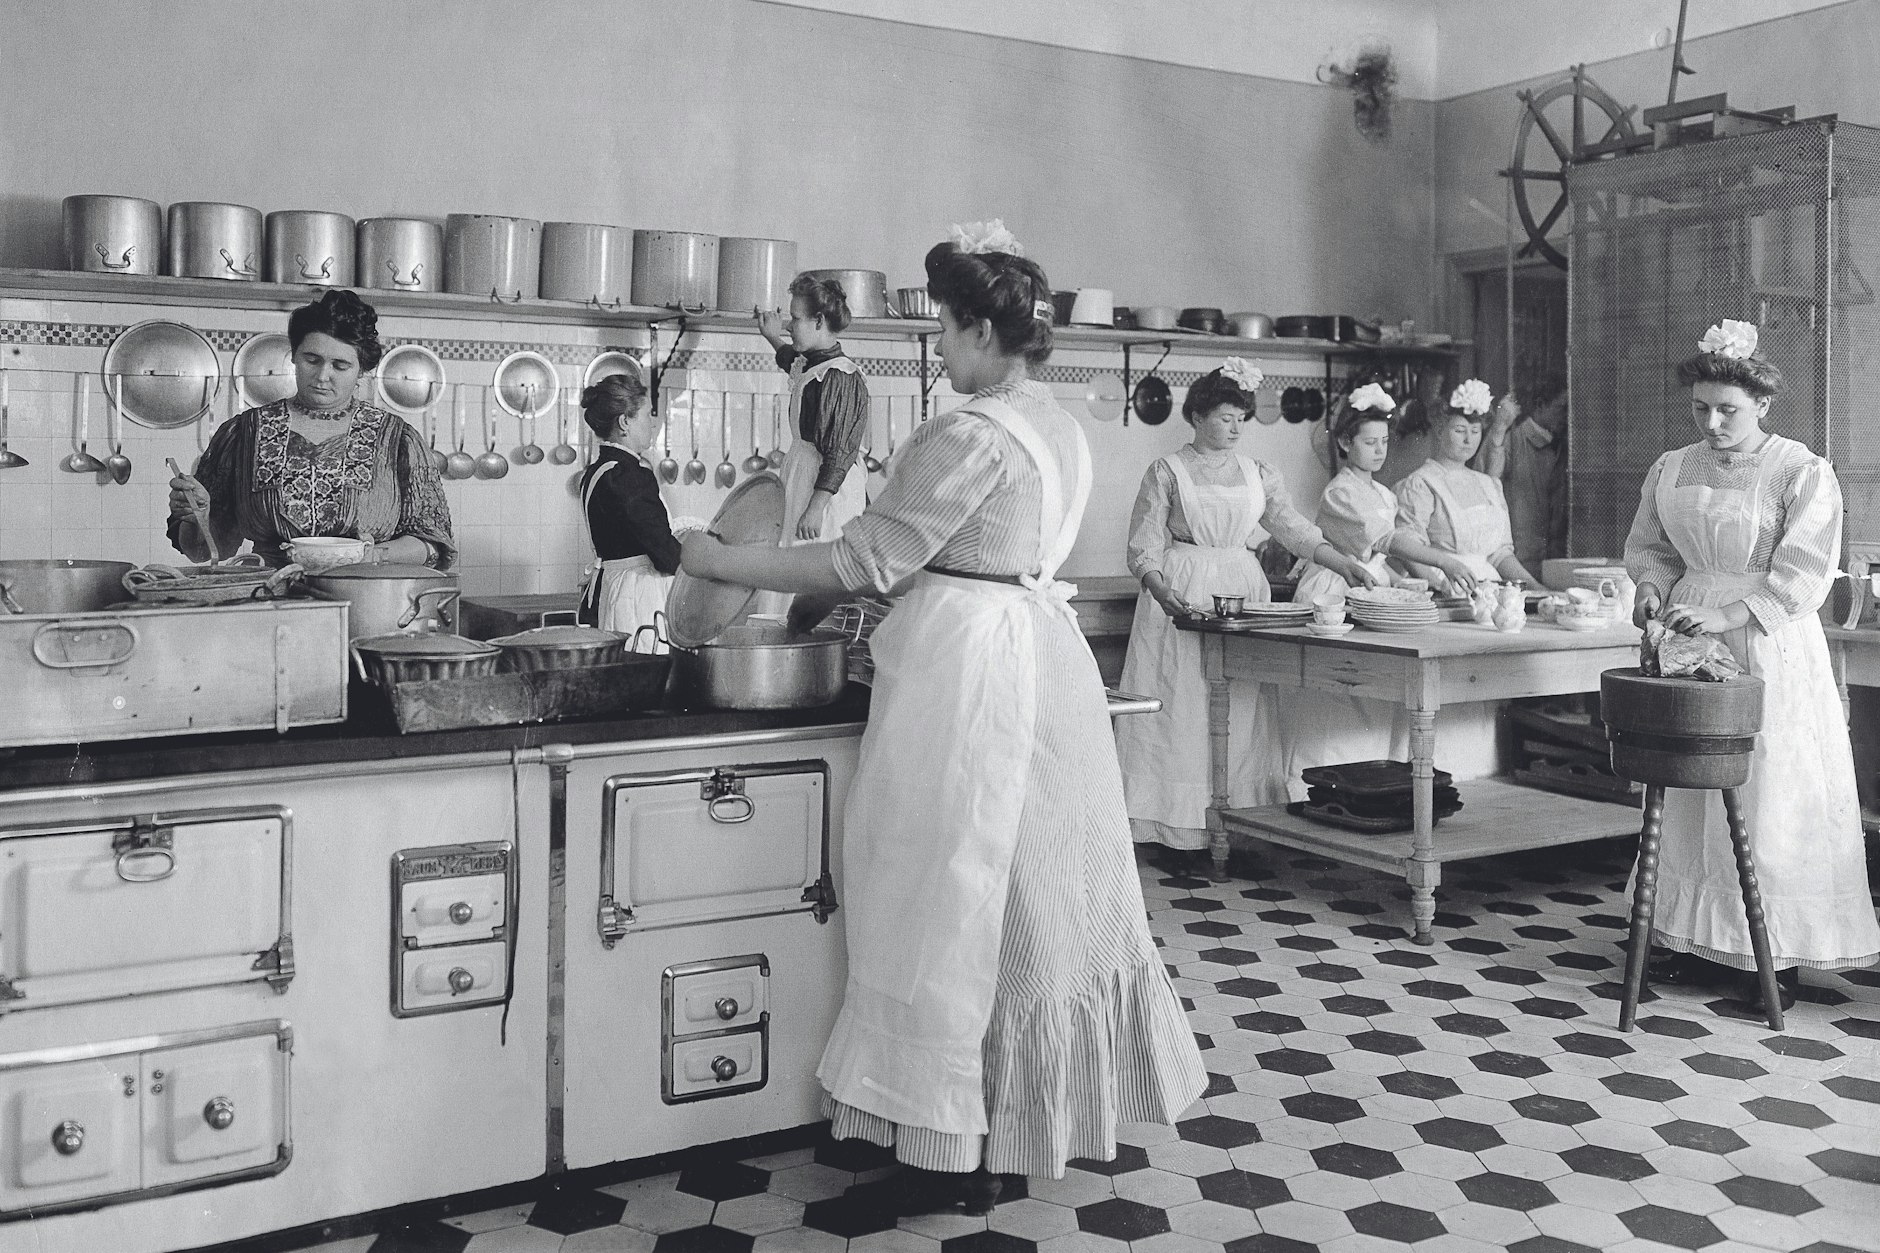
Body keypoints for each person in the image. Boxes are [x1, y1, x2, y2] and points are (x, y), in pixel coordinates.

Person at [679, 220, 1204, 1209]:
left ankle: (946, 1148)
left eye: (945, 329)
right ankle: (1004, 1130)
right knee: (1025, 905)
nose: (938, 347)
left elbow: (864, 558)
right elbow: (935, 552)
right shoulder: (1055, 424)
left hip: (970, 676)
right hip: (1042, 664)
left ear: (978, 330)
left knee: (939, 898)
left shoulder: (970, 434)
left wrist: (716, 558)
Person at [1625, 319, 1880, 1008]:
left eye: (1727, 410)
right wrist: (1650, 590)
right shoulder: (1672, 467)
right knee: (1690, 787)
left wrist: (1731, 615)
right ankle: (1689, 937)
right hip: (1689, 637)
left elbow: (1805, 573)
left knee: (1769, 787)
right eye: (1699, 409)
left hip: (1768, 641)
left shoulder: (1800, 470)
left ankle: (1771, 953)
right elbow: (1652, 549)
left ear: (1763, 404)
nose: (1711, 423)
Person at [1115, 359, 1379, 855]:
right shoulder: (1167, 471)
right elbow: (1144, 544)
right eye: (1225, 418)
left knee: (1242, 703)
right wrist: (1159, 588)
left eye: (1241, 418)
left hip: (1241, 590)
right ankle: (1174, 824)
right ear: (1197, 417)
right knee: (1184, 701)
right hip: (1183, 587)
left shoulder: (1258, 473)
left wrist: (1342, 563)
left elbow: (1295, 530)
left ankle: (1240, 819)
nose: (1236, 428)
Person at [167, 289, 453, 568]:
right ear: (294, 355)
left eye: (340, 366)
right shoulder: (245, 433)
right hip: (270, 592)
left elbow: (433, 547)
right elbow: (204, 552)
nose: (322, 376)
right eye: (312, 360)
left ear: (361, 370)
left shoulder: (397, 439)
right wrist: (199, 516)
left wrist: (374, 555)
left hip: (364, 591)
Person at [1272, 382, 1410, 796]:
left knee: (1369, 688)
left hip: (1369, 585)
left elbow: (1380, 557)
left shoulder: (1383, 492)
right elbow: (1379, 540)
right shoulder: (1340, 490)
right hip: (1335, 586)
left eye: (1384, 441)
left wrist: (1404, 581)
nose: (1379, 451)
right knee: (1334, 689)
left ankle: (1366, 782)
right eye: (1369, 442)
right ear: (1346, 443)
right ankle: (1315, 781)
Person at [1389, 378, 1540, 596]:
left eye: (1475, 431)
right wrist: (1440, 588)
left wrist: (1536, 588)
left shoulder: (1489, 485)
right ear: (1440, 430)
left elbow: (1500, 555)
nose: (1468, 440)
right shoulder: (1421, 484)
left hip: (1490, 594)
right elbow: (1408, 552)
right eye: (1460, 430)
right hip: (1445, 592)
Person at [757, 273, 870, 542]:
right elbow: (790, 360)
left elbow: (839, 453)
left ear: (819, 321)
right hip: (804, 479)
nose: (789, 326)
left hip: (825, 493)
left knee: (817, 555)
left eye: (795, 319)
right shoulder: (812, 365)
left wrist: (816, 509)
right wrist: (772, 337)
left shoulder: (840, 376)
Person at [575, 366, 681, 648]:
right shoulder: (630, 476)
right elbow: (665, 554)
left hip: (612, 589)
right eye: (647, 415)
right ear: (624, 422)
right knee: (646, 661)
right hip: (639, 597)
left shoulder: (596, 471)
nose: (653, 424)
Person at [1475, 375, 1568, 574]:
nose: (1567, 416)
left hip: (1554, 559)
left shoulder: (1564, 446)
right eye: (1562, 408)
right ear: (1541, 405)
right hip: (1518, 560)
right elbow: (1483, 482)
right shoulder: (1512, 442)